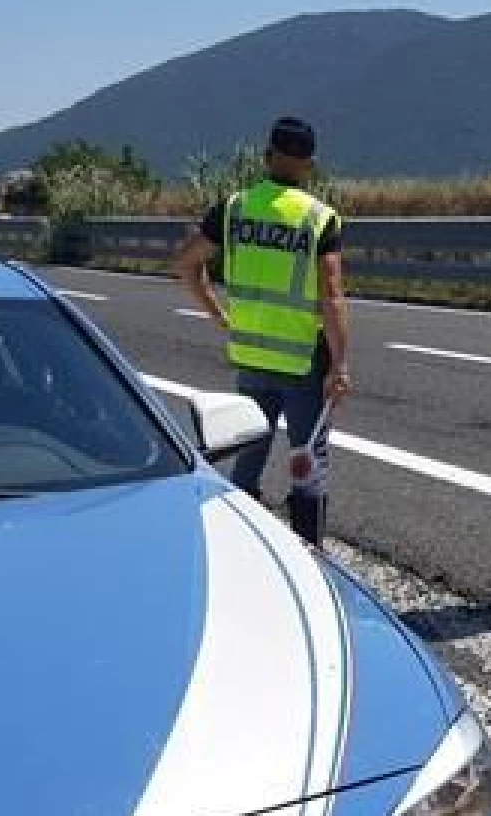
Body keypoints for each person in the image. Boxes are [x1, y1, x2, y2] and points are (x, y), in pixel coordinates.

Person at [174, 115, 352, 547]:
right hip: (302, 361)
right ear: (310, 165)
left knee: (247, 457)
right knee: (307, 460)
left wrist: (217, 315)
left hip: (250, 357)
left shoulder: (234, 209)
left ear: (267, 156)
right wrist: (341, 363)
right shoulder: (318, 218)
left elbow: (185, 264)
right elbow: (332, 295)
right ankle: (309, 555)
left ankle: (242, 551)